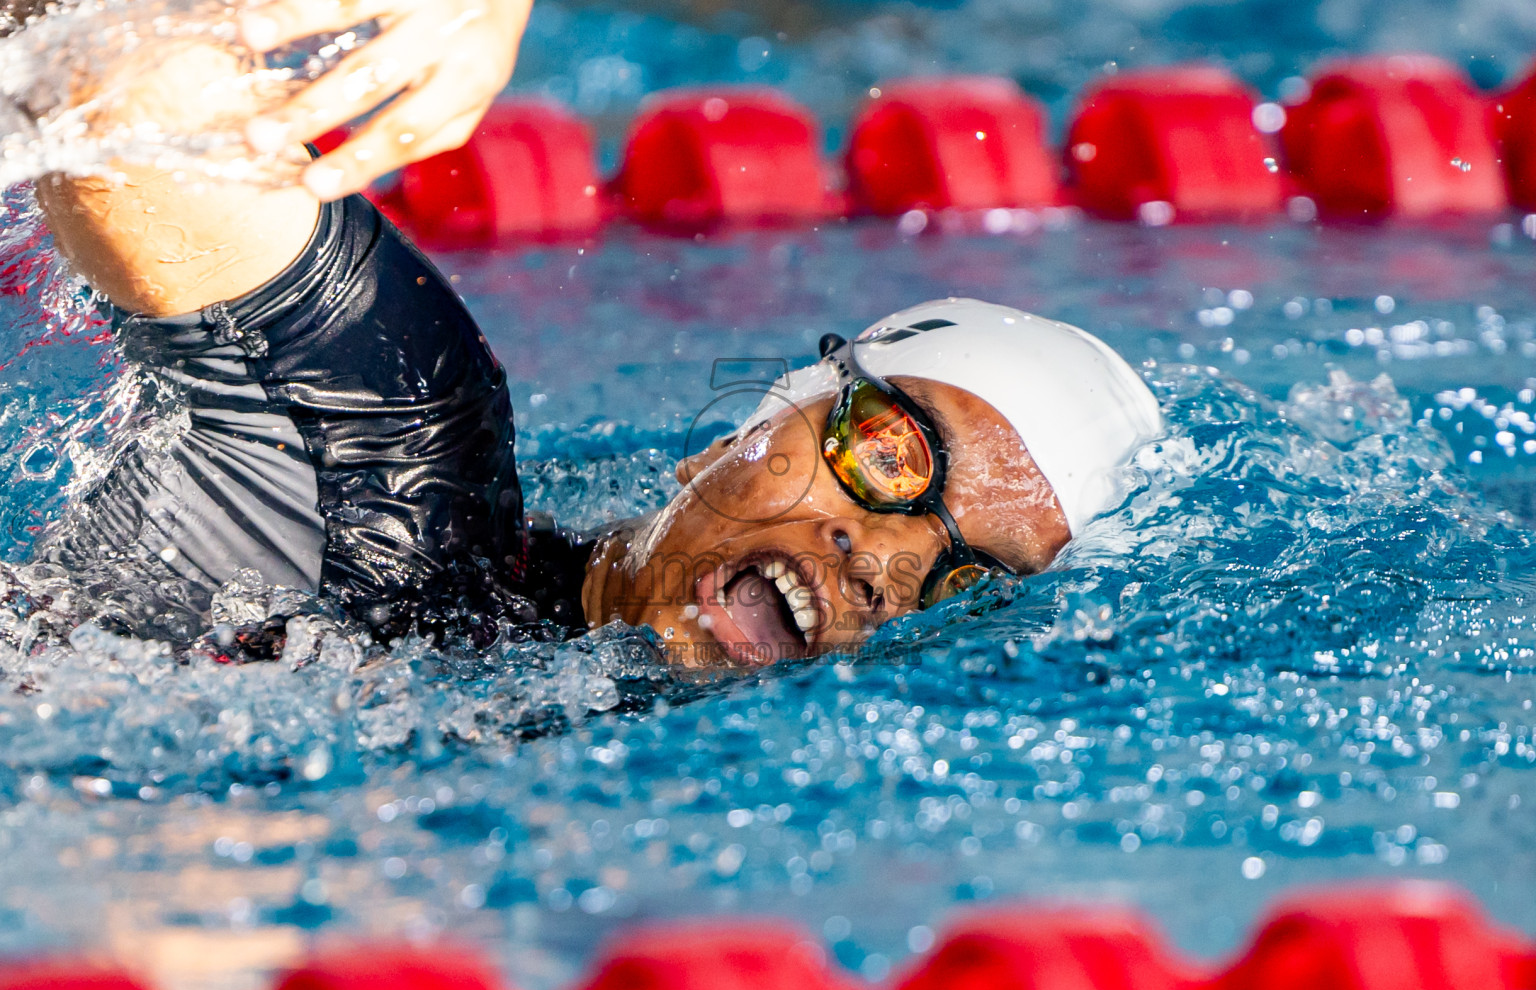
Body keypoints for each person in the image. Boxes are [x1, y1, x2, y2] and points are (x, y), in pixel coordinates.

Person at [19, 0, 1163, 668]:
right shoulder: (387, 476)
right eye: (896, 459)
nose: (890, 562)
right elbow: (127, 102)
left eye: (964, 584)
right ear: (751, 426)